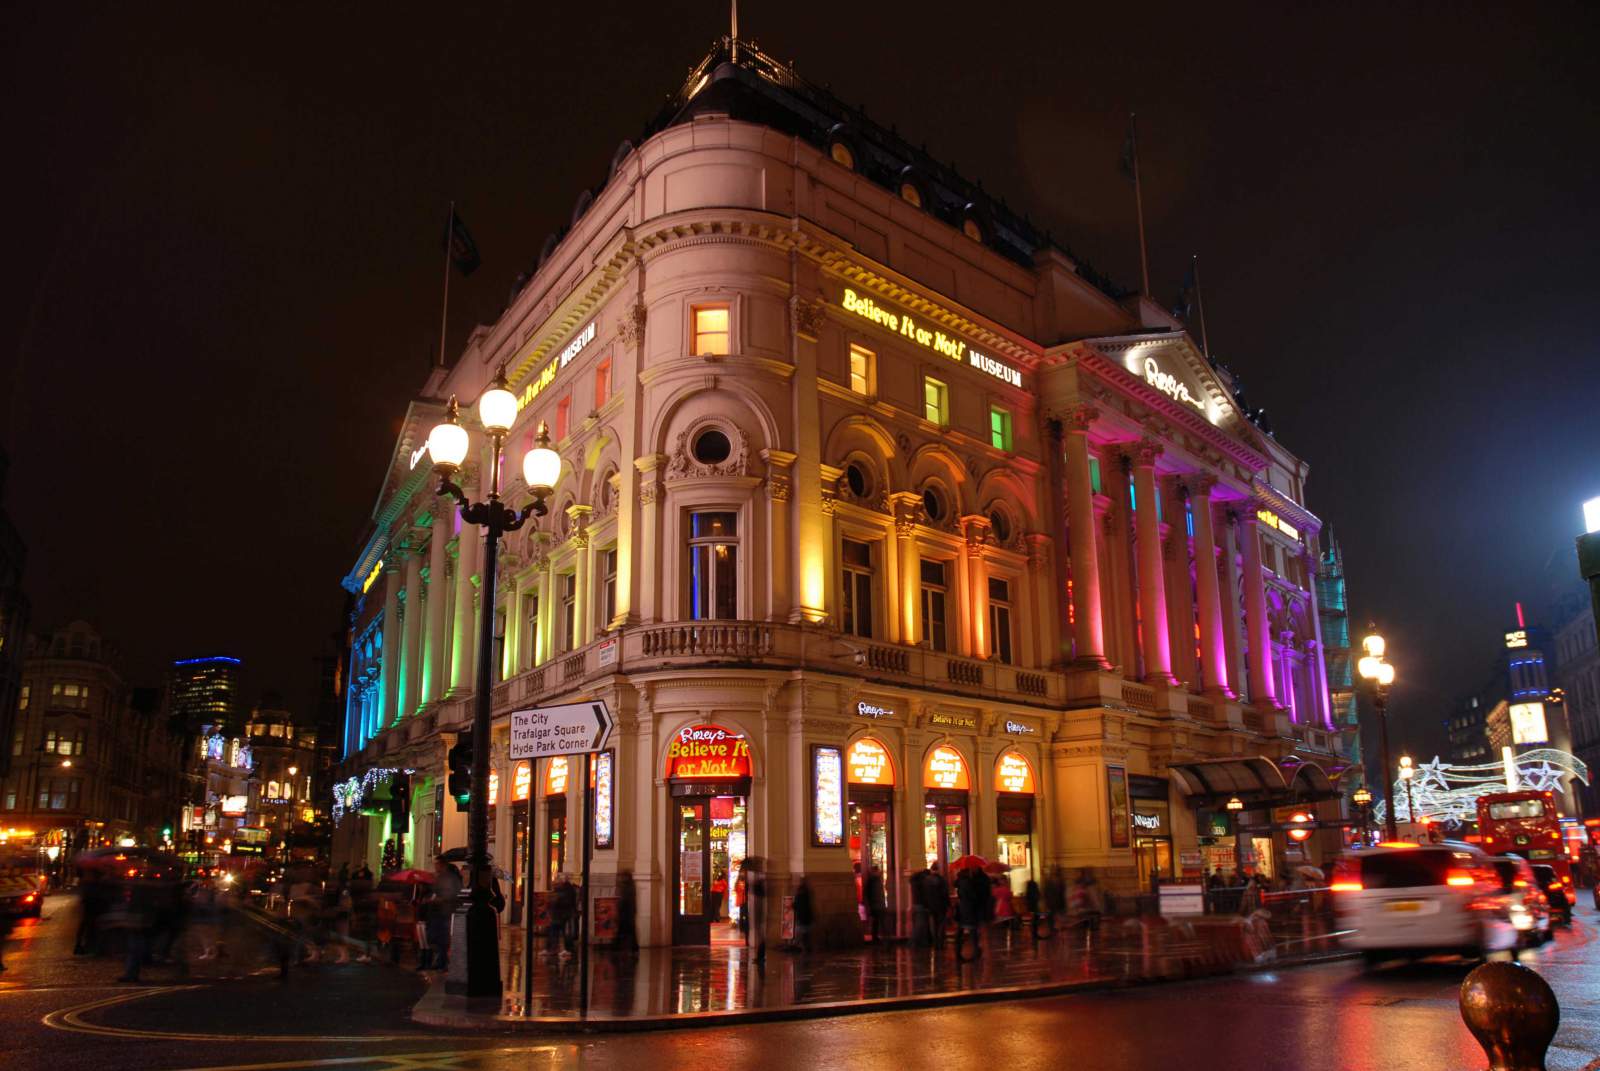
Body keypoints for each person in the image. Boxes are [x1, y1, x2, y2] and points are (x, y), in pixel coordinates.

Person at [426, 859, 461, 970]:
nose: (435, 866)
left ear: (442, 865)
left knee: (441, 936)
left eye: (437, 864)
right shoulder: (440, 877)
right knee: (437, 936)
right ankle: (441, 960)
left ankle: (442, 961)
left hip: (445, 910)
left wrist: (438, 899)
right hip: (438, 911)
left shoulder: (449, 878)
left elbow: (450, 894)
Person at [954, 866, 991, 961]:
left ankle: (959, 952)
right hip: (969, 909)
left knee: (962, 931)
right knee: (972, 930)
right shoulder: (967, 882)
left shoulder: (960, 882)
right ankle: (975, 952)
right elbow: (973, 896)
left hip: (962, 908)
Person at [744, 857, 768, 965]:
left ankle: (761, 955)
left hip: (757, 902)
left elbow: (754, 888)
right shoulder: (758, 875)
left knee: (759, 929)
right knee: (759, 929)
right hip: (757, 901)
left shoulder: (755, 875)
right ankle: (760, 955)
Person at [1070, 867, 1104, 939]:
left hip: (1088, 910)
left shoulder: (1088, 883)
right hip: (1087, 910)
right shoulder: (1087, 883)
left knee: (1090, 927)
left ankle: (1089, 938)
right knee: (1090, 928)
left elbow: (1095, 897)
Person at [549, 874, 577, 957]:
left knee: (566, 933)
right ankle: (554, 948)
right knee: (556, 932)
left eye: (558, 881)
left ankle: (567, 950)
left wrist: (557, 900)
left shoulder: (567, 890)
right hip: (559, 915)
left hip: (564, 915)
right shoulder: (561, 889)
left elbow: (567, 902)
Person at [924, 865, 950, 948]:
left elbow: (925, 894)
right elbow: (945, 894)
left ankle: (935, 942)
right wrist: (948, 904)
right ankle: (940, 942)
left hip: (931, 906)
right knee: (941, 924)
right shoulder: (942, 880)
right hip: (941, 905)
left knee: (934, 924)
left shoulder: (927, 880)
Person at [615, 870, 638, 954]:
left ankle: (616, 946)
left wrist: (618, 909)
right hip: (629, 913)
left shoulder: (625, 886)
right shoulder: (631, 886)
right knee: (631, 931)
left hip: (625, 913)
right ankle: (634, 947)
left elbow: (623, 900)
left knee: (622, 931)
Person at [862, 865, 888, 943]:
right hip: (876, 905)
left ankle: (877, 937)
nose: (879, 872)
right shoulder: (872, 881)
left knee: (877, 922)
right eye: (877, 871)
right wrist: (869, 905)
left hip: (877, 904)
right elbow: (869, 894)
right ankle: (876, 937)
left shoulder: (876, 880)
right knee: (877, 922)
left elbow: (880, 894)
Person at [792, 875, 815, 953]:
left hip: (801, 918)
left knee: (800, 935)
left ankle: (801, 948)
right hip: (807, 918)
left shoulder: (799, 894)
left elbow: (795, 905)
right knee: (806, 936)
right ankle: (807, 949)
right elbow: (810, 905)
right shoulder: (808, 892)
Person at [908, 866, 930, 947]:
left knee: (920, 924)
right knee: (920, 925)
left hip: (916, 904)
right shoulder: (922, 882)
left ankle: (921, 942)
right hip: (921, 905)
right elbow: (925, 895)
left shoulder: (915, 882)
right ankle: (912, 942)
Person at [1043, 866, 1067, 932]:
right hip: (1052, 903)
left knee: (1056, 916)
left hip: (1057, 903)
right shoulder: (1050, 882)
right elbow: (1046, 893)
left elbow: (1062, 893)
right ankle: (1053, 928)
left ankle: (1055, 928)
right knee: (1052, 916)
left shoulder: (1060, 881)